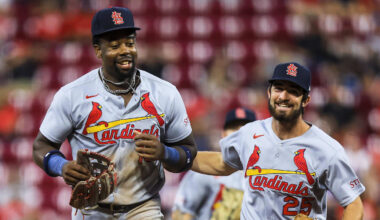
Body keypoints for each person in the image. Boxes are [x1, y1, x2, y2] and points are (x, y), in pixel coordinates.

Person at [32, 6, 197, 220]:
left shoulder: (165, 93)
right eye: (115, 45)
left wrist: (166, 153)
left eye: (130, 42)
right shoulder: (72, 95)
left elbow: (189, 150)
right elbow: (41, 146)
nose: (125, 50)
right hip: (91, 209)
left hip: (143, 207)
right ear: (98, 50)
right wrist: (61, 166)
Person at [191, 62, 365, 220]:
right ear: (269, 92)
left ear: (306, 100)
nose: (284, 96)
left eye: (293, 91)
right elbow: (222, 163)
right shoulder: (250, 133)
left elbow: (354, 203)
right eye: (278, 88)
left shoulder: (326, 149)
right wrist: (173, 155)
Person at [172, 108, 257, 220]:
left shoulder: (266, 174)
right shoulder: (205, 169)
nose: (238, 134)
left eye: (245, 129)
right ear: (223, 134)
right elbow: (182, 213)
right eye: (233, 128)